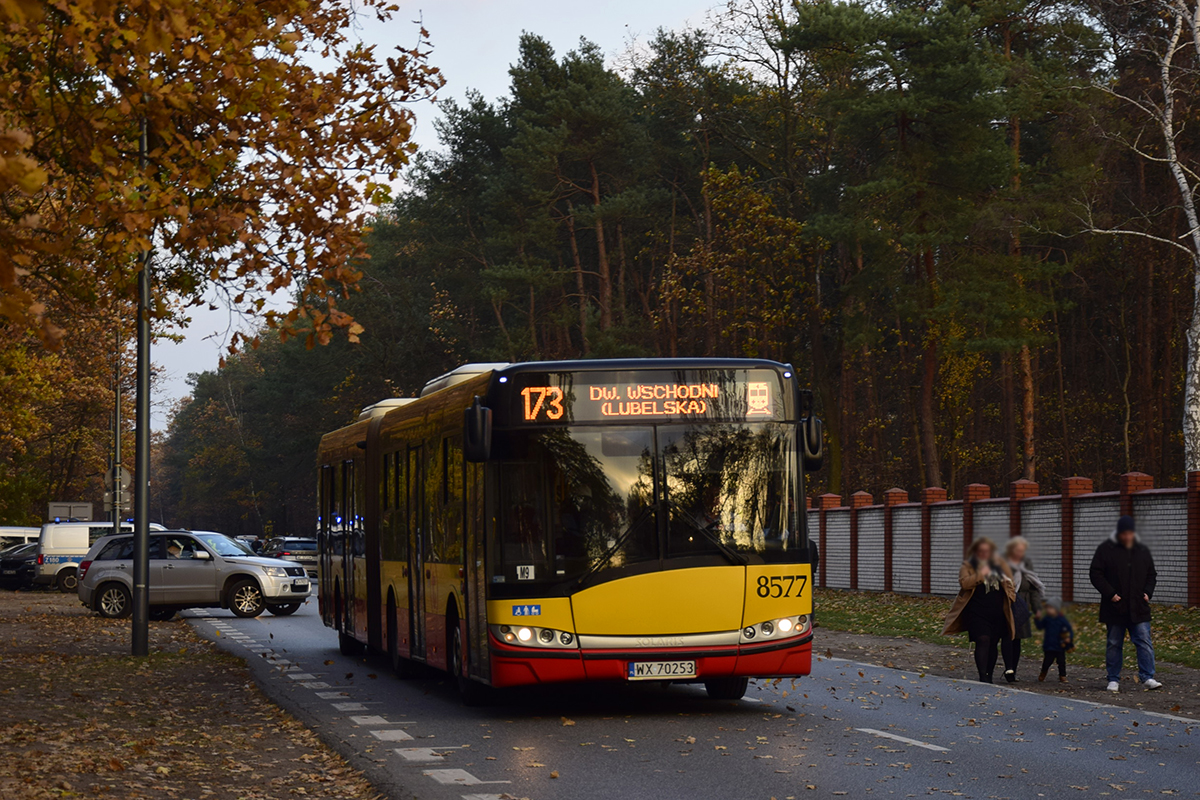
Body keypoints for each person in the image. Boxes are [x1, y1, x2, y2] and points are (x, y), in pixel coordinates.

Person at [1088, 515, 1162, 692]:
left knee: (1144, 641)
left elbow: (1152, 575)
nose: (1127, 537)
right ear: (1119, 533)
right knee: (1114, 643)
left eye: (1130, 533)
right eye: (1124, 533)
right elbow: (1095, 574)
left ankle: (1147, 676)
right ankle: (1113, 679)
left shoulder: (1142, 550)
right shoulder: (1106, 550)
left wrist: (1147, 593)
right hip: (1116, 606)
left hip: (1138, 605)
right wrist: (1111, 594)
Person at [943, 537, 1016, 684]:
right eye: (981, 551)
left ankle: (989, 674)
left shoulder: (999, 565)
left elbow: (1010, 583)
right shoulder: (968, 566)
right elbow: (965, 583)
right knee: (983, 639)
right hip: (977, 611)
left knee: (993, 642)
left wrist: (1011, 595)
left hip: (997, 611)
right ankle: (983, 675)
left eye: (987, 551)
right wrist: (982, 574)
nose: (984, 554)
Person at [1001, 536, 1046, 683]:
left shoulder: (1026, 564)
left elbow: (1033, 588)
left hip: (1023, 605)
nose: (1020, 553)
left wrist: (1037, 607)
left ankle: (1013, 670)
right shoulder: (1003, 563)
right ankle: (1008, 670)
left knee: (1017, 639)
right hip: (1008, 603)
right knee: (1008, 636)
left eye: (1022, 551)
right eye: (1018, 550)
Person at [1035, 600, 1074, 683]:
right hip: (1049, 645)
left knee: (1061, 662)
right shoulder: (1047, 619)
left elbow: (1069, 630)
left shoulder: (1061, 620)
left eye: (1051, 608)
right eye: (1047, 608)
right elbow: (1040, 626)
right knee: (1047, 661)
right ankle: (1043, 672)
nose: (1048, 610)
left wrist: (1069, 638)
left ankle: (1062, 676)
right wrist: (1037, 619)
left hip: (1060, 645)